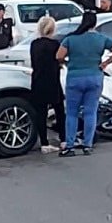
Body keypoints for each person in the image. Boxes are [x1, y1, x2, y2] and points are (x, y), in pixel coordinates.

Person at [55, 10, 112, 157]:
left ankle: (69, 145)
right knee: (90, 112)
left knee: (72, 113)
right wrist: (106, 63)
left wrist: (67, 62)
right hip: (94, 76)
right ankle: (87, 144)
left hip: (74, 77)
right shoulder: (101, 38)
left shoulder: (71, 39)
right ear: (95, 23)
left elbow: (59, 56)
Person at [29, 16, 65, 153]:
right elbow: (58, 60)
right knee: (59, 110)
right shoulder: (55, 44)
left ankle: (44, 142)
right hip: (52, 80)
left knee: (41, 113)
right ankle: (63, 139)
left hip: (38, 80)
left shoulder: (34, 44)